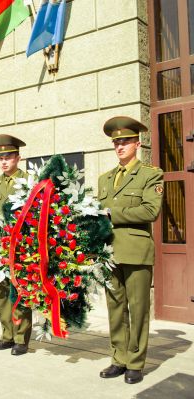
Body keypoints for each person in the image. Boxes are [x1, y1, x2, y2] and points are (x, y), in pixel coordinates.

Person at [97, 116, 163, 385]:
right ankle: (119, 358)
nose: (119, 146)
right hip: (109, 254)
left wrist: (112, 213)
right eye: (116, 142)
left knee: (138, 309)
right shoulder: (105, 179)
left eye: (125, 141)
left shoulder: (151, 174)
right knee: (115, 309)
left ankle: (135, 362)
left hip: (136, 251)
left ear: (137, 143)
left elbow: (150, 210)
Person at [0, 134, 31, 356]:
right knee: (2, 291)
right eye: (0, 157)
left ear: (17, 158)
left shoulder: (29, 181)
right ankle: (7, 334)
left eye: (8, 156)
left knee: (20, 290)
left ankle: (21, 338)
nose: (3, 161)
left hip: (21, 245)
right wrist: (0, 218)